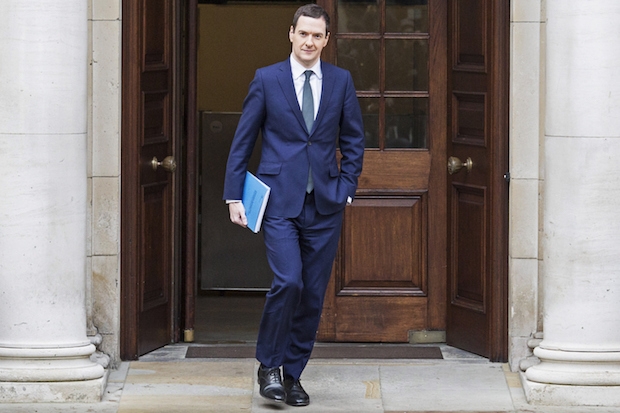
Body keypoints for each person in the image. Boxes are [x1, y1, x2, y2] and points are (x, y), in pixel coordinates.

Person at [223, 4, 364, 407]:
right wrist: (234, 195)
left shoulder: (340, 81)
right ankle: (269, 365)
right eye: (303, 33)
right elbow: (243, 140)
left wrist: (346, 187)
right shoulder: (267, 79)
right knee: (289, 282)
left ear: (326, 40)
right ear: (291, 33)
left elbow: (354, 140)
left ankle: (292, 375)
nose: (309, 42)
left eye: (317, 35)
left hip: (325, 204)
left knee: (312, 295)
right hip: (279, 202)